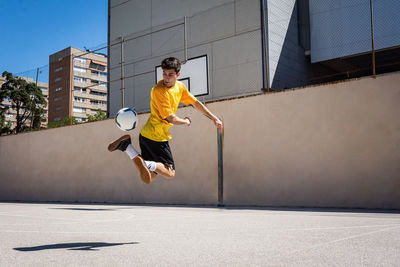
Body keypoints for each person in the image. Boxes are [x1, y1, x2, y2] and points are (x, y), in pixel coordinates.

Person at [108, 57, 223, 184]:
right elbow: (171, 118)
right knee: (170, 173)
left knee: (150, 176)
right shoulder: (159, 91)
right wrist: (185, 121)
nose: (166, 78)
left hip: (146, 135)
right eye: (164, 74)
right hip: (156, 137)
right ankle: (144, 162)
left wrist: (214, 117)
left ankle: (126, 146)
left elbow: (195, 103)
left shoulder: (180, 87)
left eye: (170, 75)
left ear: (178, 74)